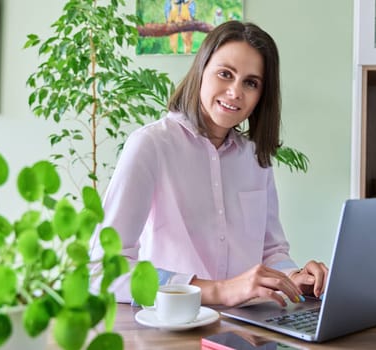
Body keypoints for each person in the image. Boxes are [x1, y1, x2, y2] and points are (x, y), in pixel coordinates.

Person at [89, 20, 328, 307]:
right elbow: (102, 270)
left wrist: (293, 276)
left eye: (250, 83)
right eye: (225, 74)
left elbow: (271, 251)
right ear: (201, 71)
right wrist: (218, 290)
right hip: (174, 329)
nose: (235, 92)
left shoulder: (255, 158)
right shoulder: (151, 145)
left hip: (250, 329)